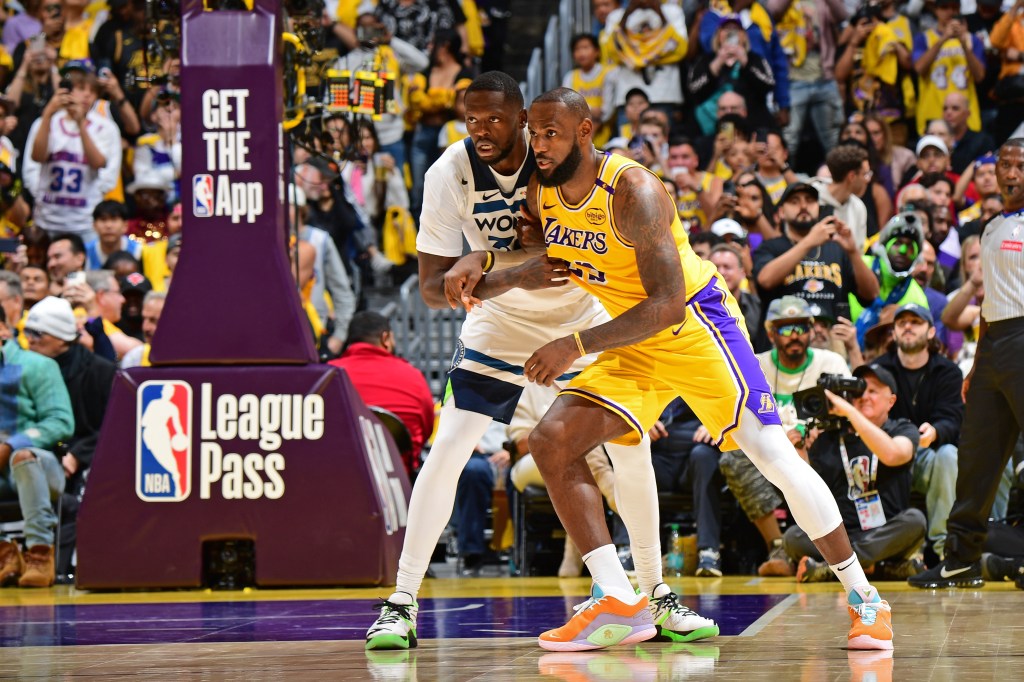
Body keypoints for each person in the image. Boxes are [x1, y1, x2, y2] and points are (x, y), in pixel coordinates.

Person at [449, 87, 895, 651]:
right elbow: (546, 261)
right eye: (534, 133)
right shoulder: (542, 191)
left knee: (774, 456)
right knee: (551, 439)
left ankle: (865, 599)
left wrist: (575, 343)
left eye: (552, 132)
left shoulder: (634, 189)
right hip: (631, 341)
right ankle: (616, 596)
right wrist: (484, 267)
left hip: (694, 327)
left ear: (585, 131)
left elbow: (666, 303)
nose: (539, 144)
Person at [364, 73, 717, 651]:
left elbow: (556, 252)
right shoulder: (447, 173)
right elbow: (431, 287)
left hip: (585, 312)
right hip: (500, 319)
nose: (482, 132)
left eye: (496, 121)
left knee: (631, 447)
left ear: (524, 119)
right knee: (450, 444)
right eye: (471, 121)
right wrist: (477, 272)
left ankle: (656, 594)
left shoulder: (551, 152)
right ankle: (401, 601)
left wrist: (489, 258)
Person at [910, 138, 1024, 588]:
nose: (1012, 173)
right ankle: (960, 559)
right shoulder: (990, 226)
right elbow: (989, 298)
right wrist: (978, 362)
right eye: (1005, 165)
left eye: (1021, 165)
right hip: (994, 346)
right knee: (976, 458)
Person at [720, 295, 852, 577]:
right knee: (733, 458)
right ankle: (779, 546)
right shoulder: (755, 364)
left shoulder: (832, 362)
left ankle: (815, 550)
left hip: (821, 447)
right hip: (773, 447)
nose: (795, 336)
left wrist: (811, 431)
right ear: (770, 333)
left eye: (801, 328)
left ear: (812, 329)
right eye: (785, 329)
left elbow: (847, 412)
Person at [784, 363, 926, 581]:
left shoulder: (903, 429)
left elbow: (893, 454)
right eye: (859, 391)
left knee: (915, 521)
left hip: (885, 532)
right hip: (841, 535)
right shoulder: (829, 436)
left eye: (873, 391)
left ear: (892, 401)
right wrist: (799, 452)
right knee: (792, 537)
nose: (864, 397)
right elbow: (810, 493)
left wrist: (849, 411)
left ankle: (832, 570)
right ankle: (878, 568)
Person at [874, 303, 963, 561]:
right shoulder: (879, 370)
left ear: (932, 331)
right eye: (902, 323)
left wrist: (935, 431)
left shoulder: (947, 371)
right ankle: (897, 549)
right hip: (887, 454)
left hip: (928, 456)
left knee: (948, 454)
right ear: (894, 332)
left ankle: (943, 550)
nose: (908, 327)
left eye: (915, 322)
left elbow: (954, 419)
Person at [0, 301, 74, 588]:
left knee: (23, 456)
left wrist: (11, 444)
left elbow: (60, 421)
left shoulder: (39, 366)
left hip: (43, 468)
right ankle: (5, 553)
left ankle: (39, 553)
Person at [753, 182, 879, 323]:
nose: (803, 206)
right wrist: (809, 241)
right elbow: (765, 280)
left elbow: (871, 294)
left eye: (810, 200)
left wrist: (853, 252)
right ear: (781, 212)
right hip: (788, 335)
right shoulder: (770, 247)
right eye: (794, 201)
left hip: (832, 339)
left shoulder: (837, 248)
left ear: (818, 209)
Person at [329, 311, 434, 478]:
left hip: (341, 480)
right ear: (385, 338)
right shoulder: (413, 376)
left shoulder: (329, 376)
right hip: (400, 486)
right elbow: (426, 430)